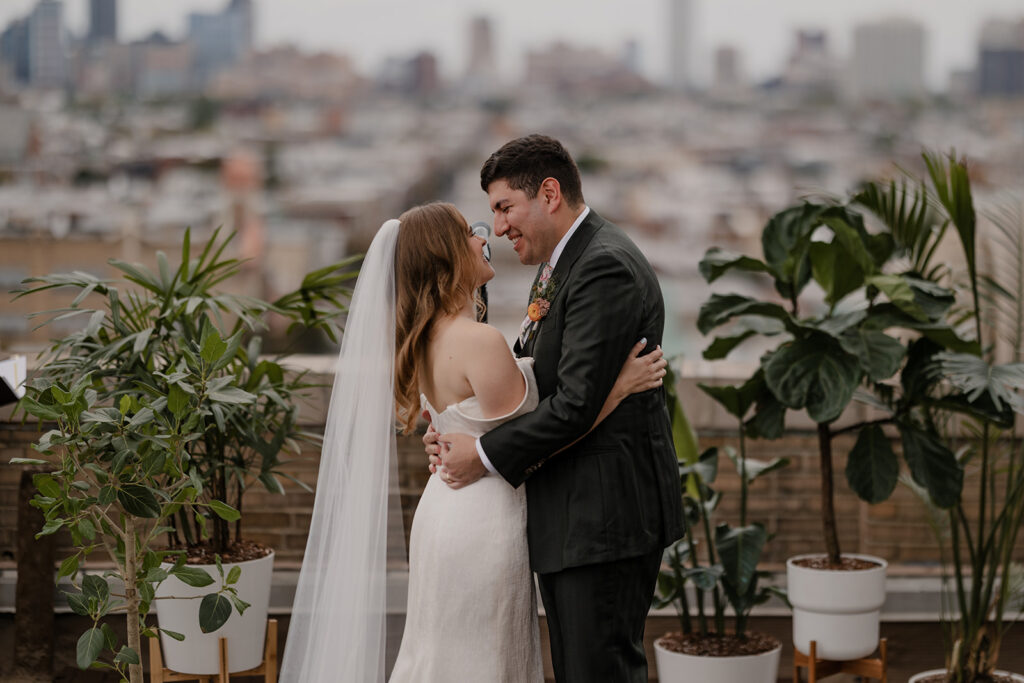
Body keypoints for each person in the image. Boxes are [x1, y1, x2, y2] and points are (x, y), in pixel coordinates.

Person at [278, 201, 666, 683]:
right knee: (480, 659)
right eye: (469, 232)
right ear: (446, 255)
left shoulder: (422, 340)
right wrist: (618, 388)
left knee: (442, 653)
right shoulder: (478, 341)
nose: (485, 237)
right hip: (483, 517)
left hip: (446, 509)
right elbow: (550, 430)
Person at [427, 134, 686, 683]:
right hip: (572, 517)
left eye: (503, 208)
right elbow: (532, 374)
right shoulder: (560, 264)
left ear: (549, 194)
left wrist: (483, 453)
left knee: (600, 671)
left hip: (603, 517)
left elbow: (572, 405)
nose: (497, 228)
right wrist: (460, 424)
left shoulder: (603, 267)